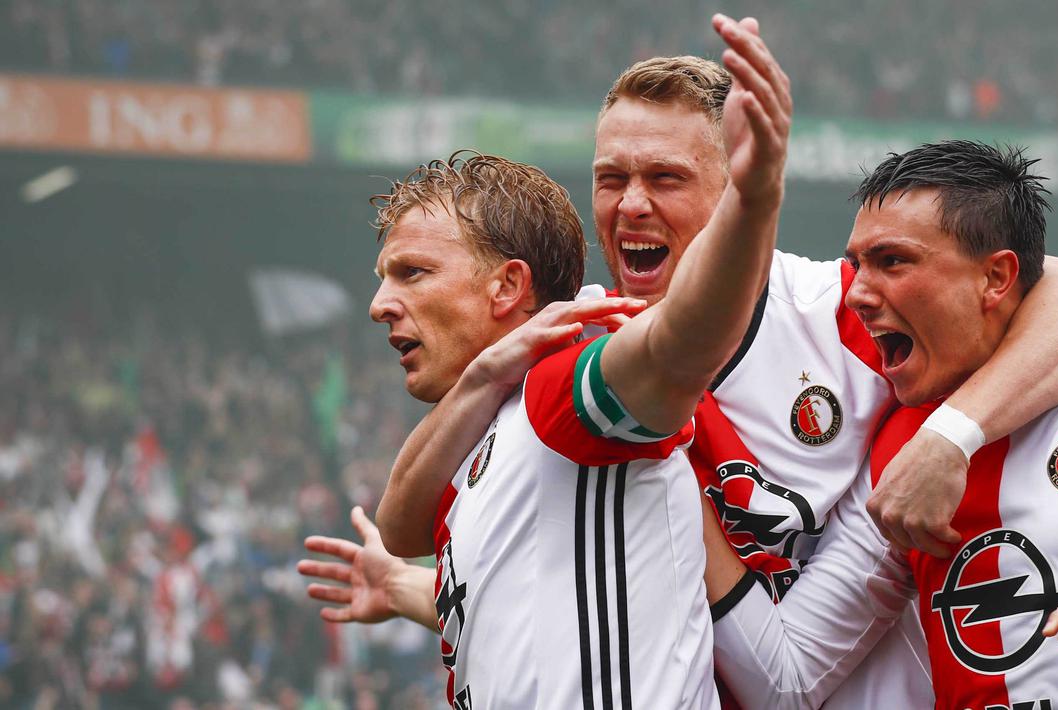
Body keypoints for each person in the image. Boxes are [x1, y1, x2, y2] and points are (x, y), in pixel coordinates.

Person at [304, 21, 1058, 708]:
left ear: (733, 182)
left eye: (665, 178)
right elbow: (460, 536)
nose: (631, 203)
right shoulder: (585, 346)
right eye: (610, 178)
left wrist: (949, 438)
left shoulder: (843, 312)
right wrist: (425, 590)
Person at [316, 13, 790, 708]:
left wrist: (753, 202)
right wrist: (409, 588)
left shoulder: (563, 384)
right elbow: (406, 531)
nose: (380, 304)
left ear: (507, 285)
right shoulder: (491, 421)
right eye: (386, 277)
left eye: (413, 273)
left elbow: (679, 344)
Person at [699, 140, 1058, 709]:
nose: (854, 294)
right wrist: (673, 486)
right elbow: (787, 680)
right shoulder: (900, 452)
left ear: (996, 277)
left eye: (892, 261)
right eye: (857, 264)